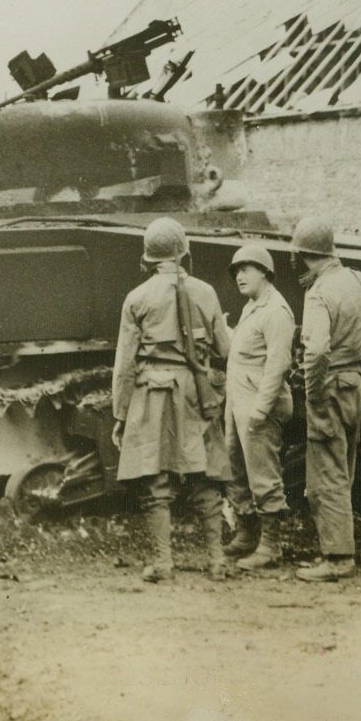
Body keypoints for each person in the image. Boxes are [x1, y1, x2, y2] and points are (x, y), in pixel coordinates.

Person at [111, 217, 232, 583]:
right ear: (183, 253)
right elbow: (225, 347)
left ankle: (164, 563)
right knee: (205, 473)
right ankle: (217, 560)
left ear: (149, 257)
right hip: (198, 390)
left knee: (156, 478)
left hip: (153, 393)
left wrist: (120, 412)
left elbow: (125, 363)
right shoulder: (206, 291)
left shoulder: (137, 298)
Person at [290, 217, 361, 583]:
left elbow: (317, 348)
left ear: (304, 255)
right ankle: (339, 546)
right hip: (355, 380)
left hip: (331, 385)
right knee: (345, 468)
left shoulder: (319, 291)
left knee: (327, 474)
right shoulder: (356, 280)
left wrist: (313, 391)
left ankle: (338, 558)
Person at [222, 245, 295, 570]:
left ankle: (271, 545)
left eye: (246, 269)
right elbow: (245, 348)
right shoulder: (252, 307)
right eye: (237, 270)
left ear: (264, 272)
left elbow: (277, 366)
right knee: (235, 467)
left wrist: (261, 411)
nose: (239, 275)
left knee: (263, 474)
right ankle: (247, 531)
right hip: (239, 401)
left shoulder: (277, 311)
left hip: (258, 404)